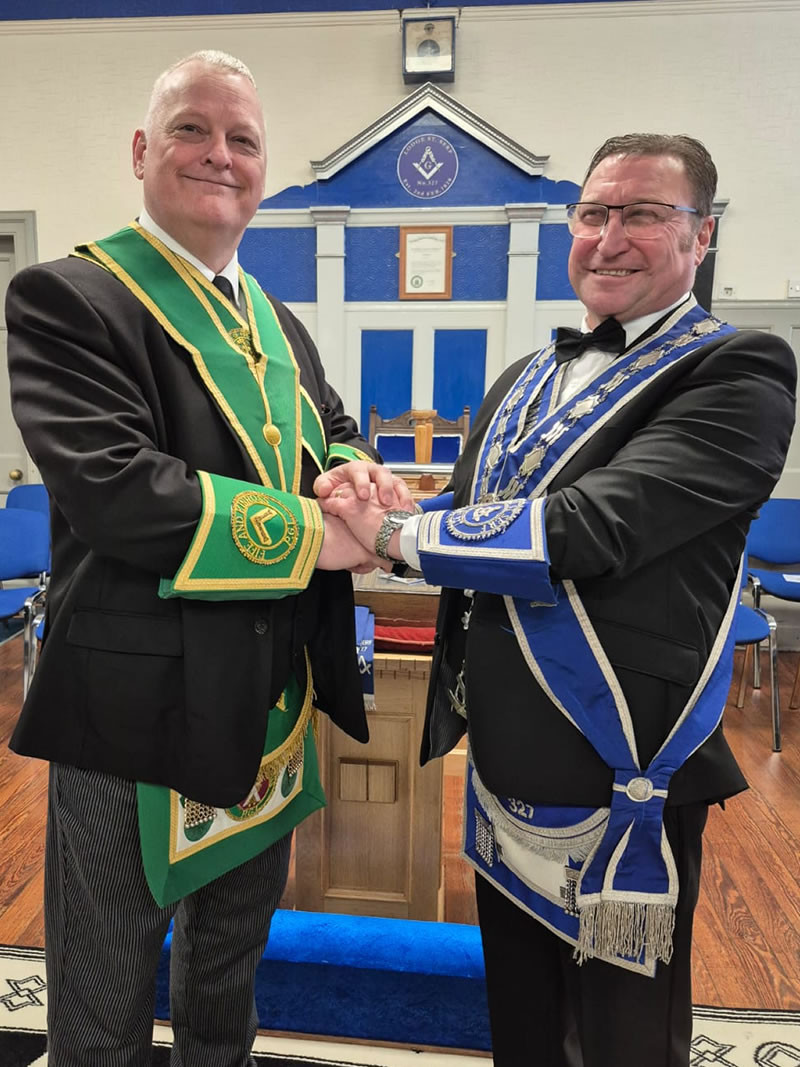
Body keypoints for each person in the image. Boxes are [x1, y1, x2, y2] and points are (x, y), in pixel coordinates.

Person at [319, 133, 797, 1066]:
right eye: (593, 213)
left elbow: (589, 527)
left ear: (700, 235)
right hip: (503, 756)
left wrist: (391, 537)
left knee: (621, 1041)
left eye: (643, 214)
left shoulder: (739, 370)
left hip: (620, 760)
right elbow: (478, 510)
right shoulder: (525, 376)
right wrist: (385, 511)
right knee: (524, 1026)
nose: (609, 237)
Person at [6, 50, 410, 1067]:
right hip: (134, 719)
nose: (219, 154)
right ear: (142, 150)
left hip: (268, 707)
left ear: (263, 170)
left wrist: (352, 474)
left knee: (229, 977)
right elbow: (116, 489)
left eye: (243, 139)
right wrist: (316, 535)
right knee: (101, 1001)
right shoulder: (68, 296)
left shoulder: (275, 318)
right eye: (192, 129)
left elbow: (330, 426)